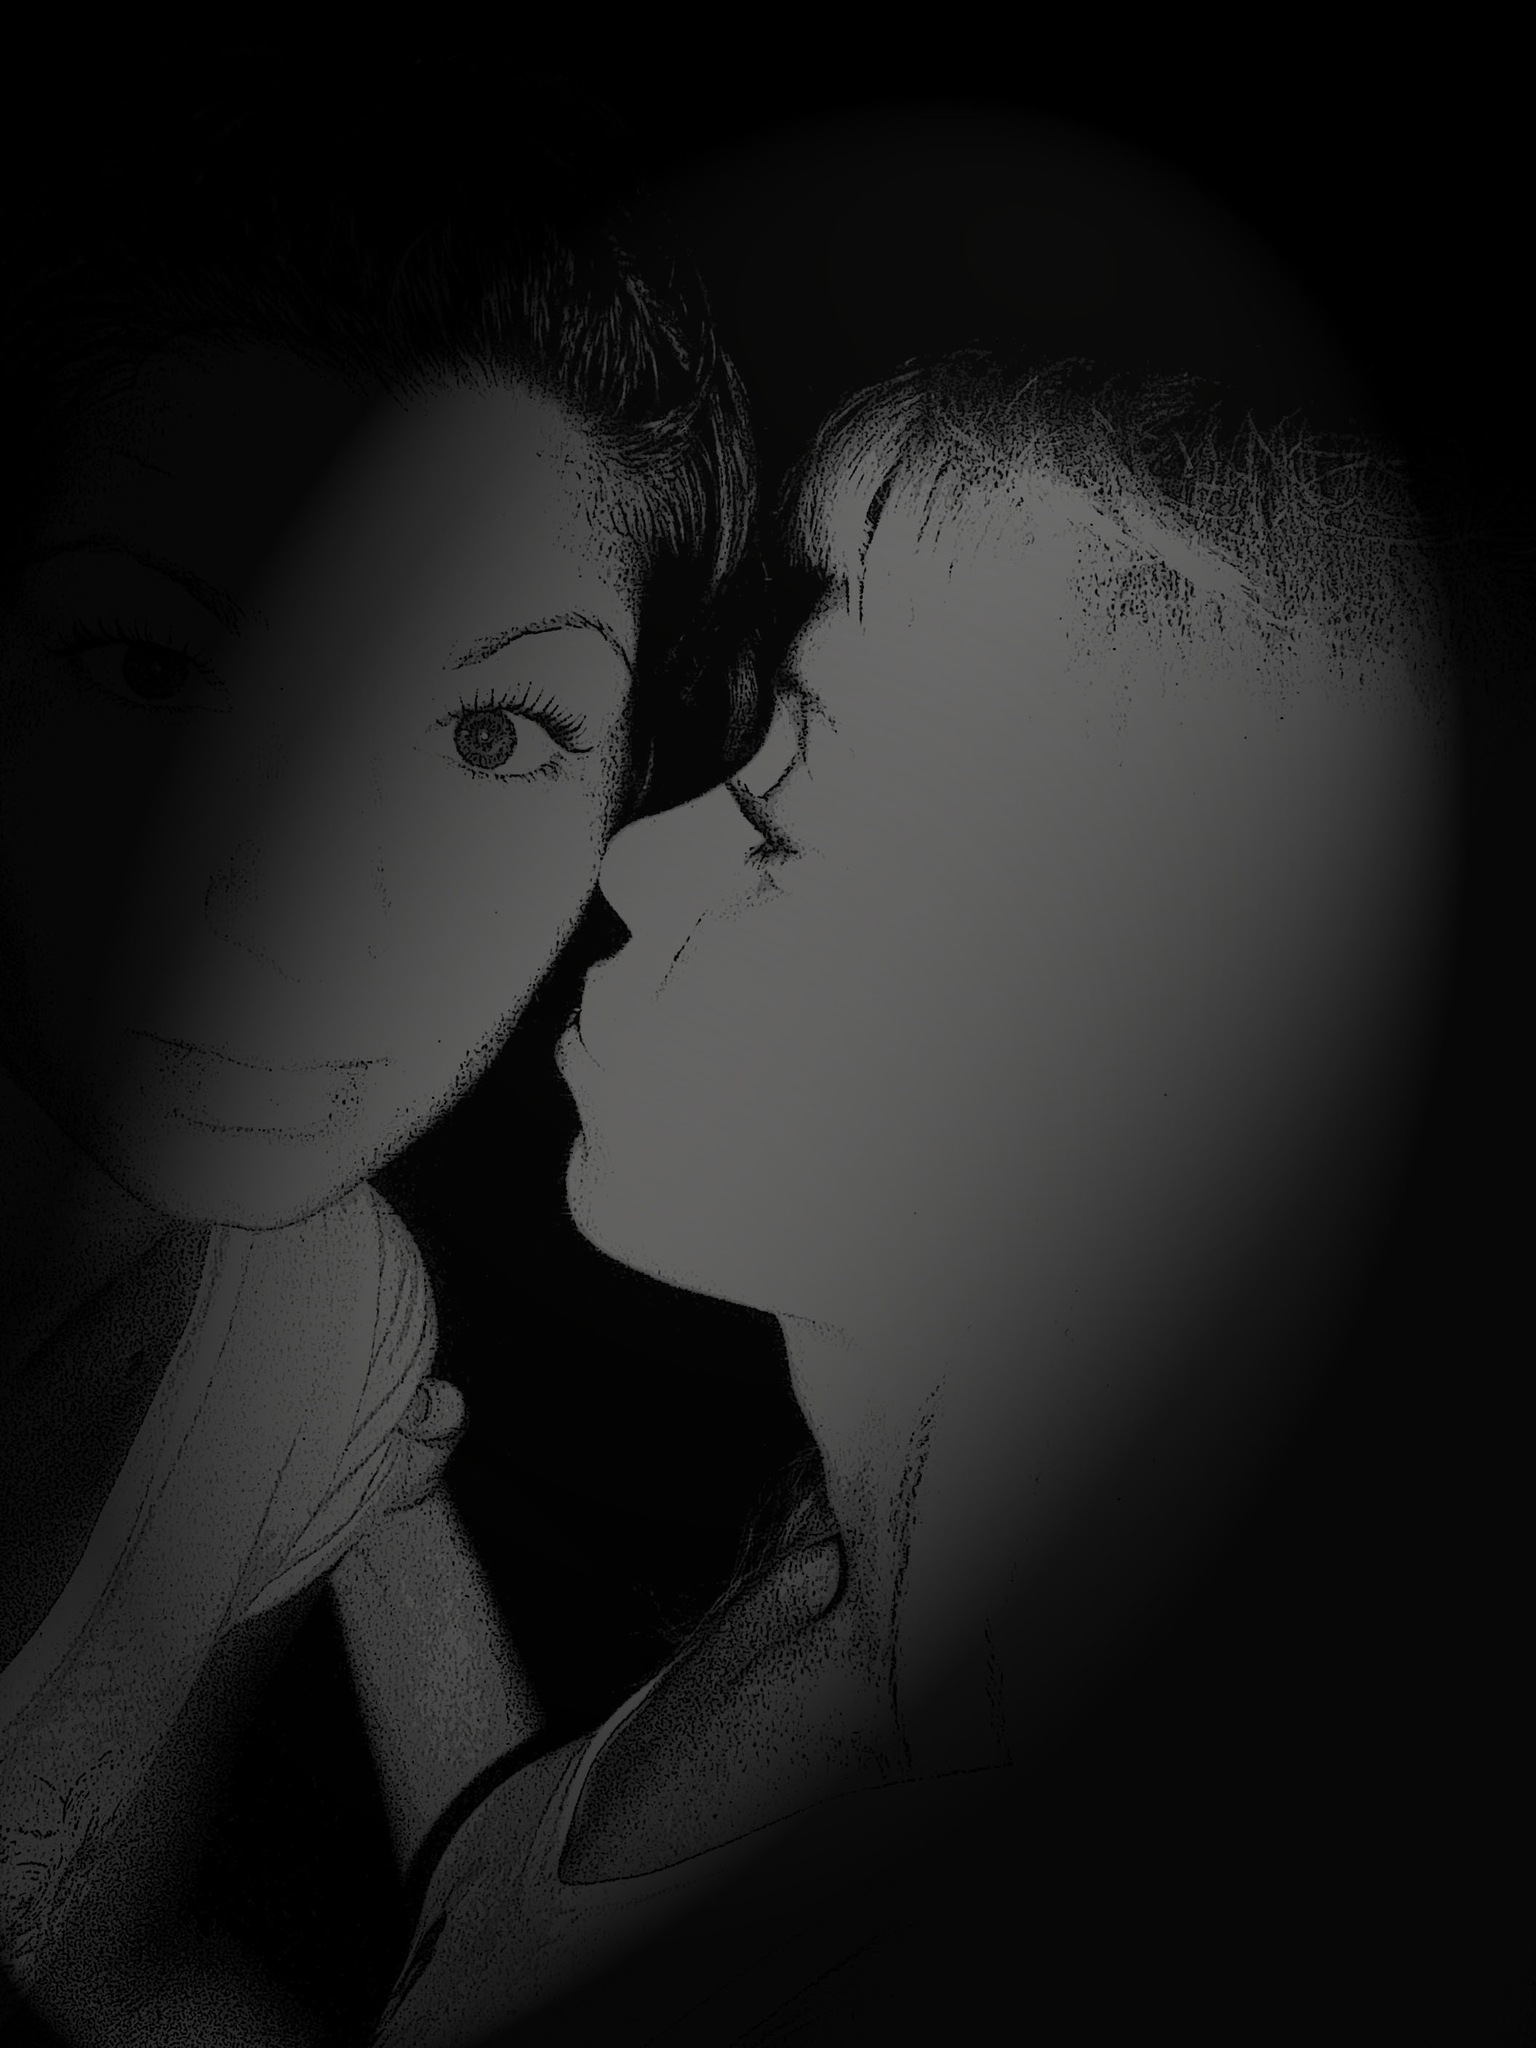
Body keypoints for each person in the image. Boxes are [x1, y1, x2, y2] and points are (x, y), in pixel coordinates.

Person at [370, 351, 1465, 2043]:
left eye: (782, 821)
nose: (634, 854)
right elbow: (517, 1939)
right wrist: (377, 1511)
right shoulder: (864, 1559)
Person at [0, 51, 757, 2045]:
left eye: (495, 732)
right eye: (153, 663)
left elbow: (89, 1947)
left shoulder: (325, 1334)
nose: (300, 889)